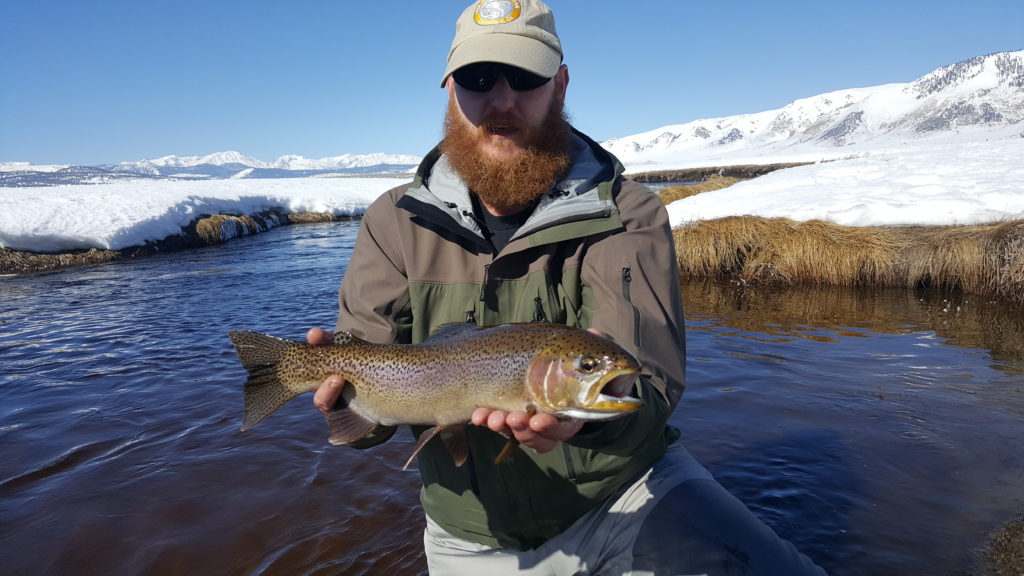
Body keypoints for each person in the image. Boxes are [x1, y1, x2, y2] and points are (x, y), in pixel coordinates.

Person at [307, 1, 828, 573]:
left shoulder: (628, 212)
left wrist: (587, 422)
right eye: (480, 79)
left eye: (524, 77)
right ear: (451, 89)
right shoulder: (393, 221)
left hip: (624, 493)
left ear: (559, 85)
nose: (502, 101)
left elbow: (646, 387)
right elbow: (364, 408)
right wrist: (344, 406)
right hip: (471, 531)